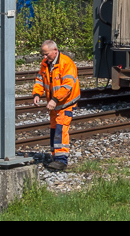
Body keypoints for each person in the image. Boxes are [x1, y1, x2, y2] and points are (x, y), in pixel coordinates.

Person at [32, 39, 80, 171]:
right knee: (54, 129)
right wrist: (37, 93)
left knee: (61, 129)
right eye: (43, 54)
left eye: (46, 54)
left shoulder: (66, 63)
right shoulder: (45, 63)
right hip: (54, 103)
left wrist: (54, 100)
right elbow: (40, 80)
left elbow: (67, 87)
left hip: (65, 103)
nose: (44, 57)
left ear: (55, 51)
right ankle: (55, 156)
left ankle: (61, 160)